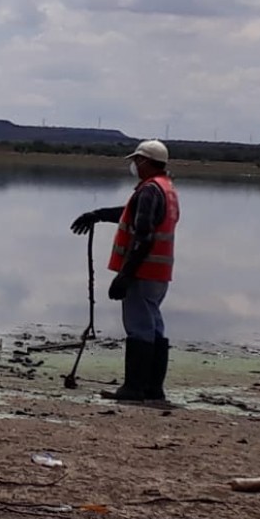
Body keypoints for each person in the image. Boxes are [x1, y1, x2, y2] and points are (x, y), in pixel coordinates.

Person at [70, 139, 180, 403]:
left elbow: (143, 233)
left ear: (144, 161)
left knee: (140, 327)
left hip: (142, 272)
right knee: (154, 326)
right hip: (158, 273)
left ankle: (134, 389)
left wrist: (125, 274)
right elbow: (131, 214)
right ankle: (153, 390)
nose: (133, 165)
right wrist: (98, 214)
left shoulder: (150, 190)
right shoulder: (165, 188)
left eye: (135, 160)